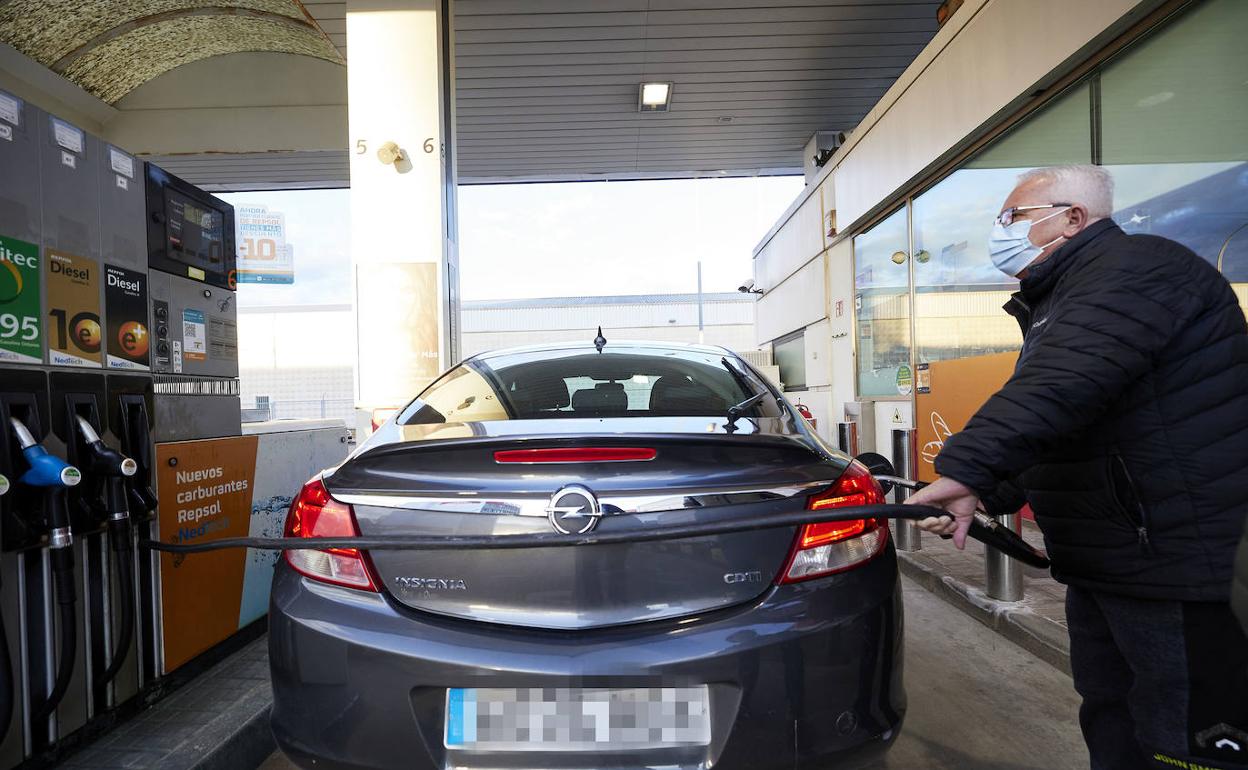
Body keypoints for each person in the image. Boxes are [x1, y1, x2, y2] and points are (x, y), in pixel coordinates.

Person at [904, 164, 1248, 769]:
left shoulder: (1140, 268)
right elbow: (1071, 422)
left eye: (1013, 217)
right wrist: (987, 492)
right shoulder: (1062, 299)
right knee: (1112, 717)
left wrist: (970, 468)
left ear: (1073, 218)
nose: (1000, 231)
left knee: (1188, 737)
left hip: (1176, 560)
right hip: (1108, 559)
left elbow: (1061, 384)